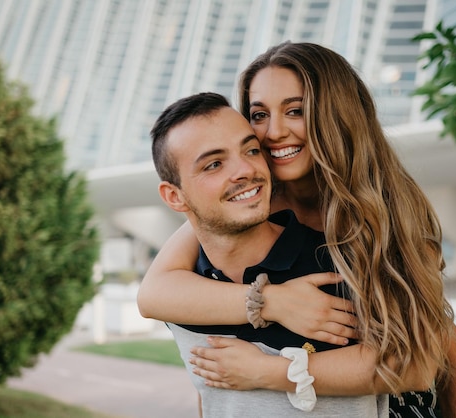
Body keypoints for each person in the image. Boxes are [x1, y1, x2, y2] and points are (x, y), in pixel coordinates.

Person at [139, 41, 456, 417]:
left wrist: (272, 372)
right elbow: (156, 294)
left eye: (295, 110)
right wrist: (273, 301)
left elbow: (428, 354)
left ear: (336, 114)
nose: (273, 132)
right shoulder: (250, 201)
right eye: (259, 114)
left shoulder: (385, 213)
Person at [150, 91, 402, 416]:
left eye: (251, 150)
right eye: (214, 164)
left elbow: (410, 364)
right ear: (174, 197)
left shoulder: (342, 262)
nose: (245, 169)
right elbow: (213, 398)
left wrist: (275, 371)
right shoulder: (185, 288)